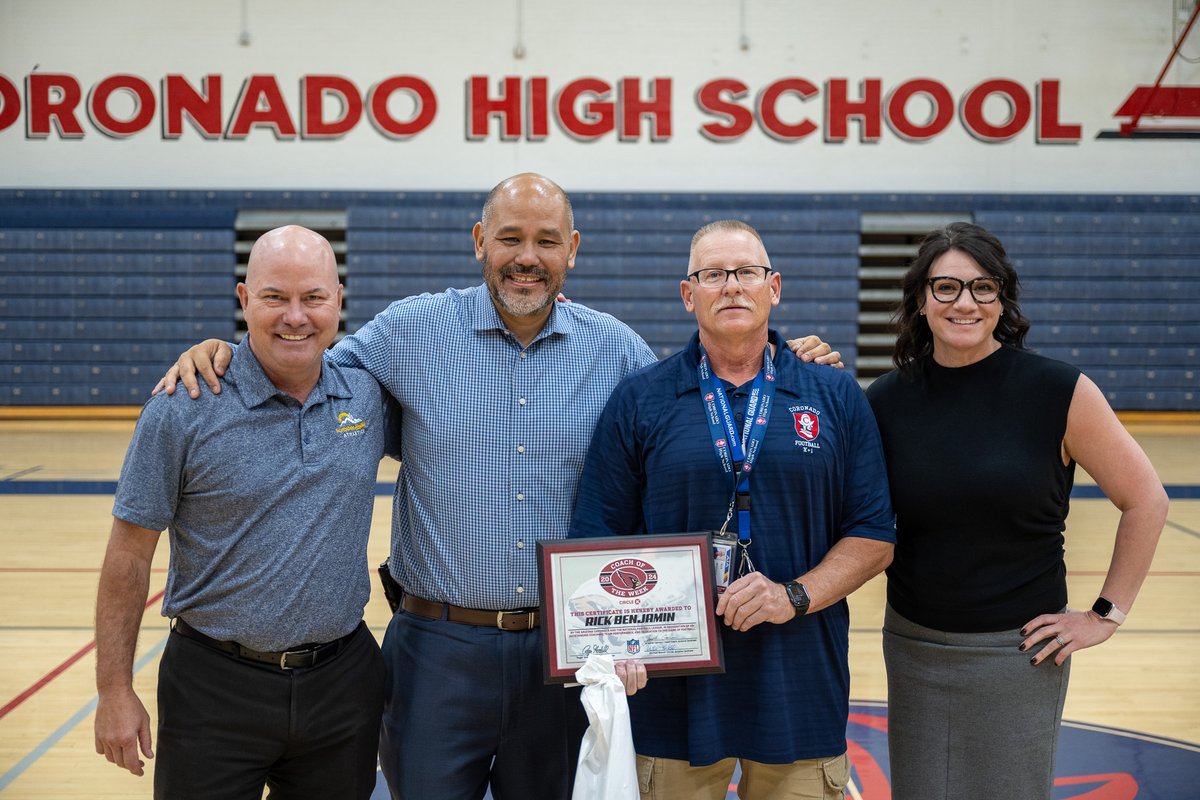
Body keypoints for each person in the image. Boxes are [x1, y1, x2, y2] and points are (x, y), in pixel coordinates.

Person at [156, 175, 842, 800]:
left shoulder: (616, 350)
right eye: (510, 237)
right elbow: (299, 359)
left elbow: (698, 410)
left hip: (565, 653)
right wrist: (222, 349)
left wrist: (786, 362)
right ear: (480, 241)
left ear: (571, 249)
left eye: (546, 240)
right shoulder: (409, 331)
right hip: (436, 650)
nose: (527, 255)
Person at [568, 219, 896, 800]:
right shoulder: (640, 398)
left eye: (746, 272)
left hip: (800, 684)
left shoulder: (835, 394)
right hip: (671, 693)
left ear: (774, 287)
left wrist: (792, 595)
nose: (731, 287)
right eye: (712, 274)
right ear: (687, 293)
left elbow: (873, 534)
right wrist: (615, 643)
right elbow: (597, 538)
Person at [863, 222, 1168, 800]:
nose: (965, 303)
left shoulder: (1059, 391)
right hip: (913, 645)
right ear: (920, 300)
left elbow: (1146, 500)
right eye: (946, 287)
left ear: (1002, 299)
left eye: (983, 287)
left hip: (1019, 652)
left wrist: (1105, 614)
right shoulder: (886, 399)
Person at [94, 226, 392, 799]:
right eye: (275, 297)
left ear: (338, 301)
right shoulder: (183, 408)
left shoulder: (368, 395)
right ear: (244, 299)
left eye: (313, 298)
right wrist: (113, 690)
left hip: (343, 684)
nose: (295, 317)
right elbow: (128, 557)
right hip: (213, 687)